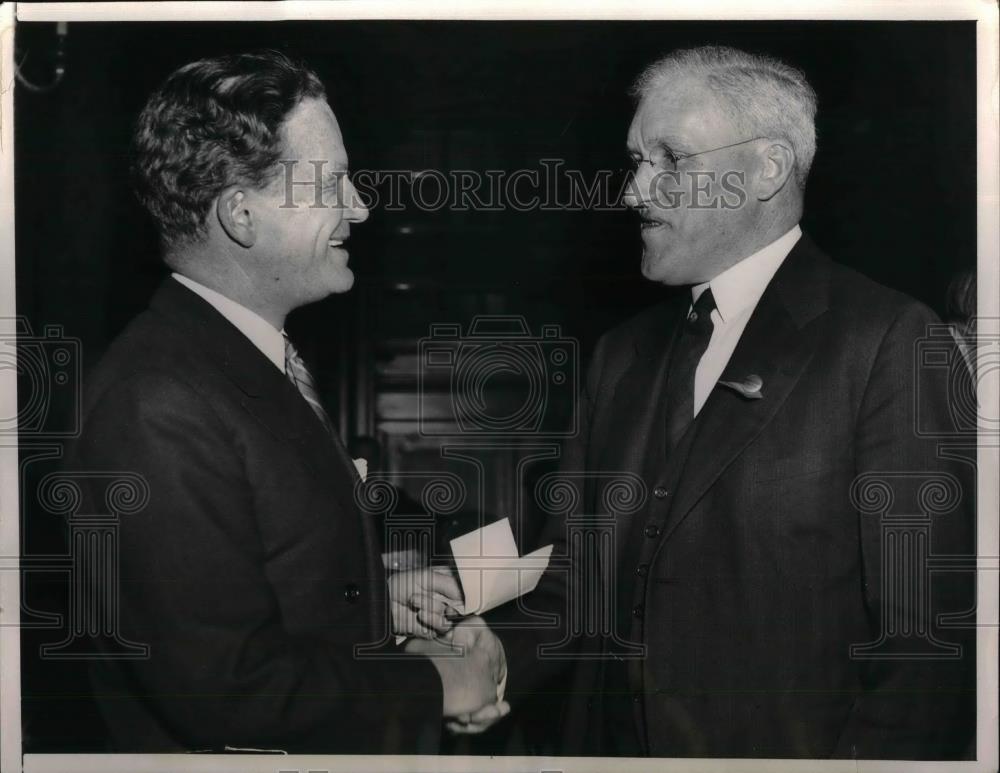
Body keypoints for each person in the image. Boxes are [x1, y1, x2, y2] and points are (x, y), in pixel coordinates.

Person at [492, 45, 975, 758]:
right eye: (636, 161)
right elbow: (575, 584)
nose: (634, 192)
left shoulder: (887, 342)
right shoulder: (620, 355)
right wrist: (489, 662)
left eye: (671, 160)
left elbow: (923, 650)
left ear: (768, 169)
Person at [64, 51, 506, 754]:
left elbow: (249, 580)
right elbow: (225, 687)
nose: (359, 205)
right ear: (242, 214)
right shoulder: (156, 401)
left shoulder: (235, 360)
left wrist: (376, 596)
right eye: (331, 183)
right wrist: (439, 685)